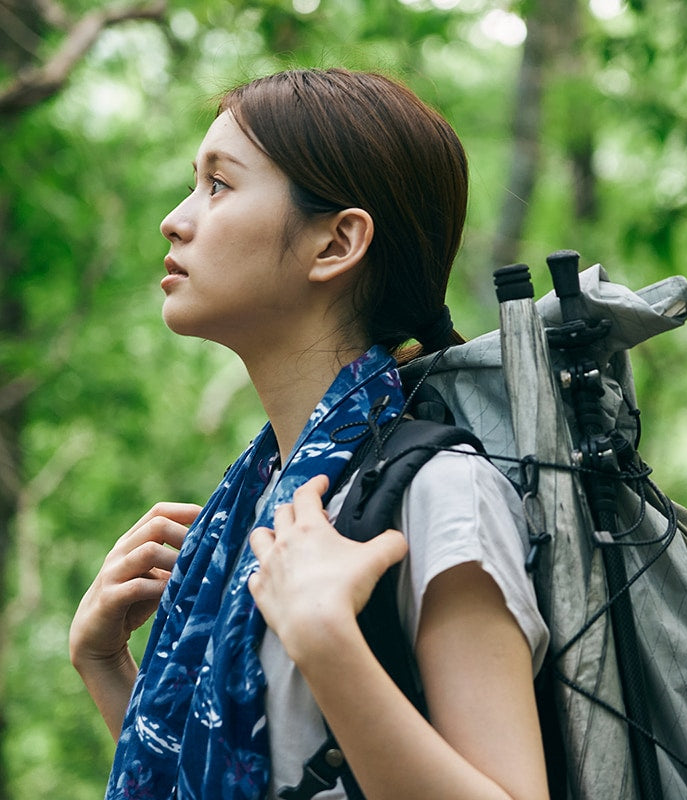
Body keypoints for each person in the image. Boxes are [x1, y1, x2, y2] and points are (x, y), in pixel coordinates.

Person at [69, 68, 550, 800]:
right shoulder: (255, 508)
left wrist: (328, 642)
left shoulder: (438, 492)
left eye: (218, 185)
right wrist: (107, 668)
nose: (175, 218)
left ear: (336, 243)